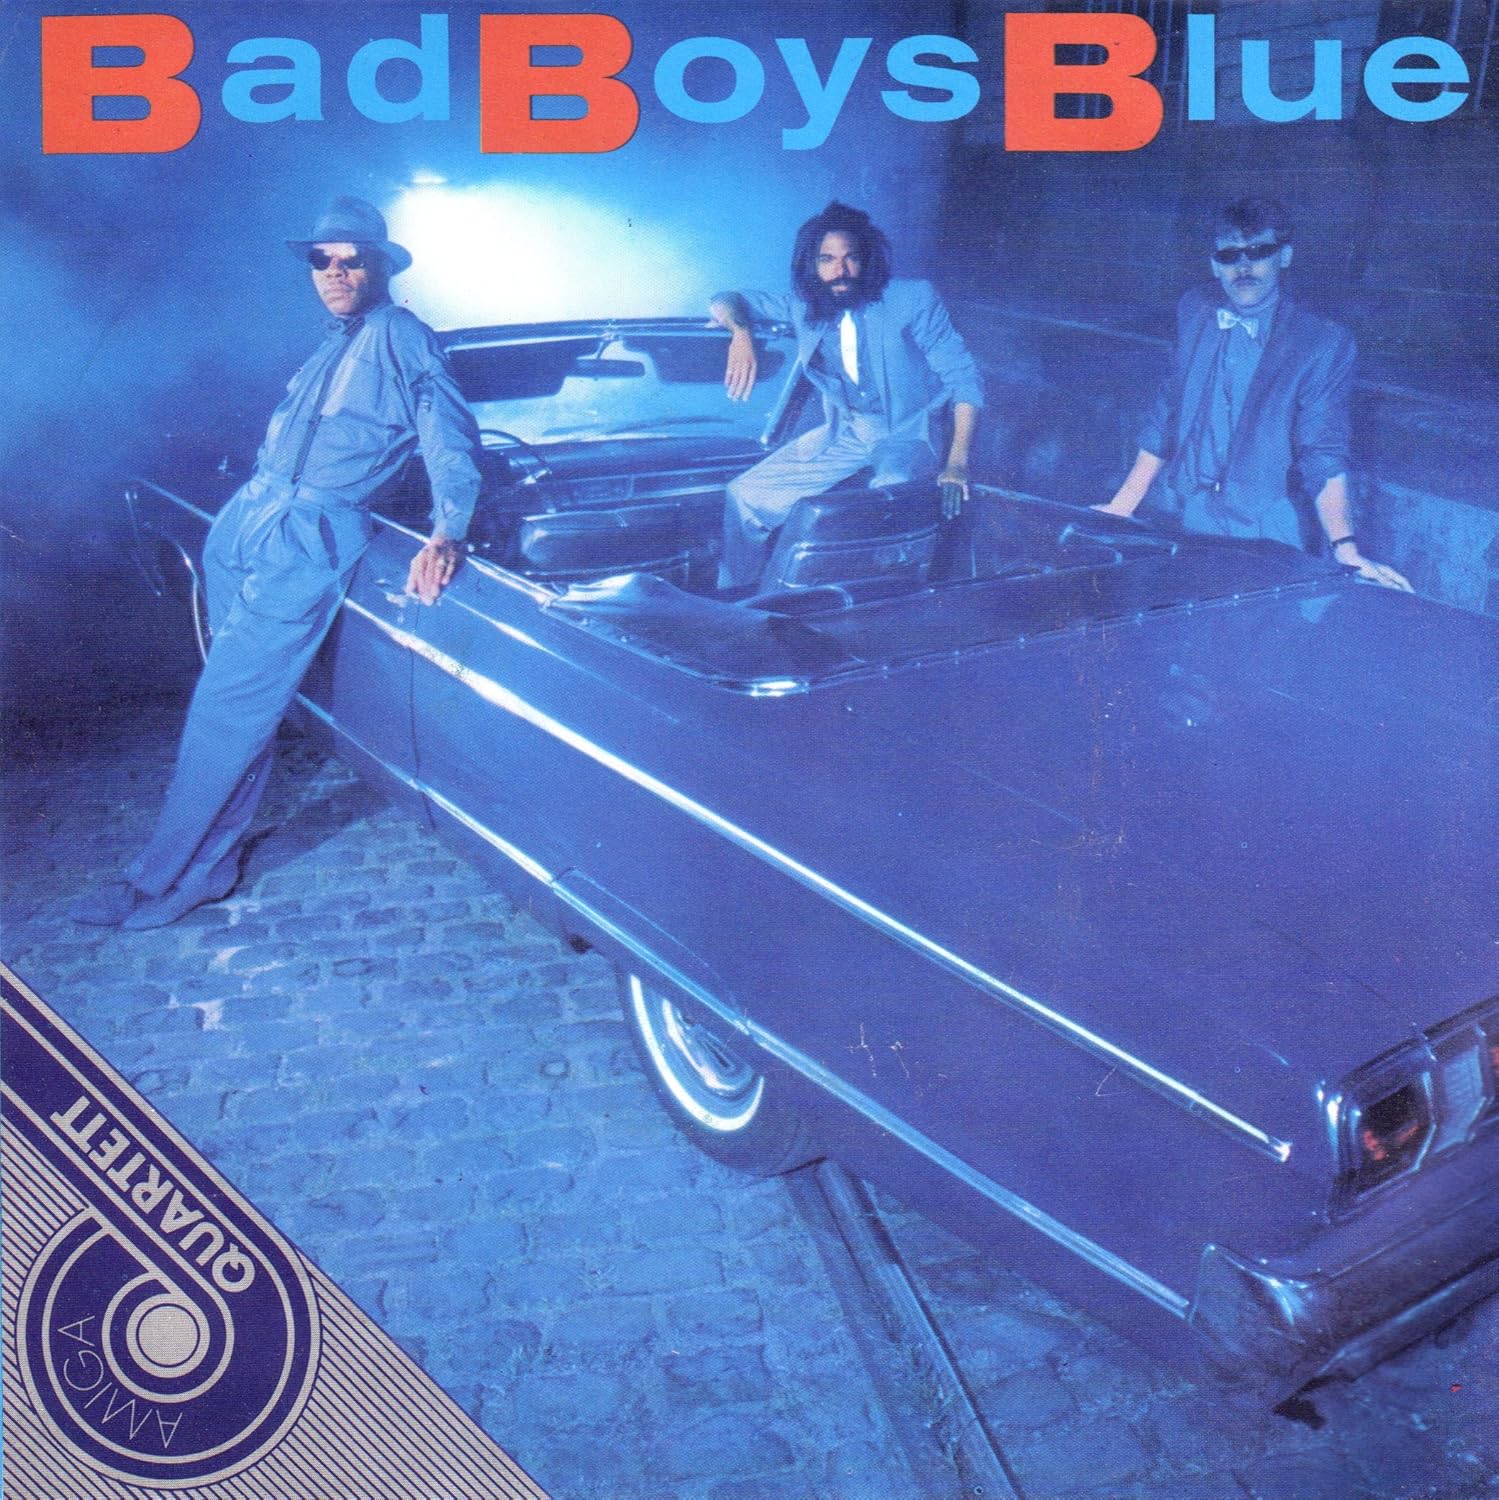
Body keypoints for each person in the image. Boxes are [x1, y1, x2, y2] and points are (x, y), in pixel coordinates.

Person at [72, 196, 482, 930]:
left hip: (311, 532)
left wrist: (448, 530)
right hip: (250, 518)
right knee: (237, 705)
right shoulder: (334, 340)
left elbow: (448, 436)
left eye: (352, 260)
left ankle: (161, 879)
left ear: (381, 267)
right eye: (322, 260)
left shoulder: (402, 335)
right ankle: (205, 864)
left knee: (226, 708)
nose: (335, 272)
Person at [1095, 196, 1410, 590]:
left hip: (1271, 531)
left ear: (1285, 256)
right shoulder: (1195, 310)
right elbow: (1167, 413)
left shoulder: (1321, 342)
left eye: (1258, 252)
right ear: (1214, 264)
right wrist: (1121, 506)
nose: (1243, 267)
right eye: (1229, 256)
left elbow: (1323, 452)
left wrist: (1345, 549)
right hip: (1194, 517)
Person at [710, 201, 984, 589]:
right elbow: (725, 298)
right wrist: (741, 333)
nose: (840, 271)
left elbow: (964, 379)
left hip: (912, 432)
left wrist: (956, 463)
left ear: (866, 259)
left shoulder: (913, 299)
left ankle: (864, 605)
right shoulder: (803, 306)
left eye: (850, 258)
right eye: (827, 260)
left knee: (884, 503)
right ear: (811, 265)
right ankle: (738, 599)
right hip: (847, 433)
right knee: (745, 495)